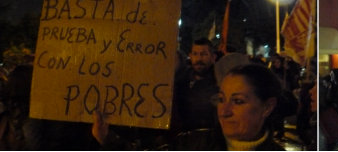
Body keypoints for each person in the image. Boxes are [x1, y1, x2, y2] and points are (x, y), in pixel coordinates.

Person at [93, 64, 284, 150]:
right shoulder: (192, 144)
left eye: (238, 101)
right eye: (221, 99)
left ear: (267, 107)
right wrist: (109, 139)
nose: (224, 112)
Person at [173, 39, 219, 133]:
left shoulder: (219, 82)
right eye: (195, 54)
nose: (199, 59)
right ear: (190, 56)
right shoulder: (181, 79)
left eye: (204, 54)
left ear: (213, 57)